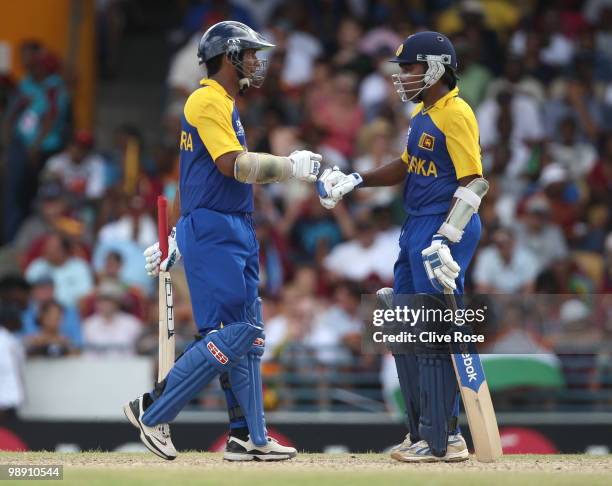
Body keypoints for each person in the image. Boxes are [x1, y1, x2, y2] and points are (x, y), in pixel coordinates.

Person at [124, 21, 320, 461]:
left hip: (232, 224)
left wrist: (175, 232)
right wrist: (290, 166)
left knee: (249, 337)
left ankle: (247, 435)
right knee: (230, 332)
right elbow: (233, 165)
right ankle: (152, 410)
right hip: (215, 227)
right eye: (250, 53)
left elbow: (190, 176)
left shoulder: (223, 104)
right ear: (229, 55)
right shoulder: (206, 99)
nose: (256, 61)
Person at [318, 32, 487, 462]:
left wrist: (448, 237)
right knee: (405, 326)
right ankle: (422, 432)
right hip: (415, 225)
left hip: (443, 225)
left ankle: (444, 439)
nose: (403, 76)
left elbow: (474, 182)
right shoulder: (423, 114)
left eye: (410, 67)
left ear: (434, 67)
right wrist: (357, 179)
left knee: (430, 328)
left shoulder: (457, 113)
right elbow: (407, 167)